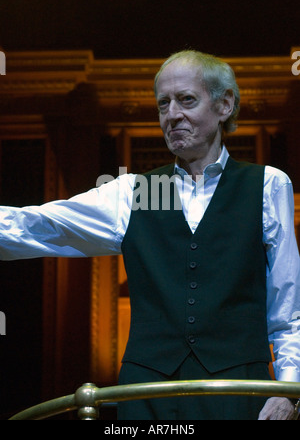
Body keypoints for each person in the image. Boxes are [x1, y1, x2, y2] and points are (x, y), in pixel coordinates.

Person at [0, 50, 299, 420]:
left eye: (186, 100)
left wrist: (288, 389)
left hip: (238, 391)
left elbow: (288, 308)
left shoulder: (268, 186)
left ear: (225, 105)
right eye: (163, 104)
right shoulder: (132, 192)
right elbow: (36, 226)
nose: (172, 114)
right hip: (146, 397)